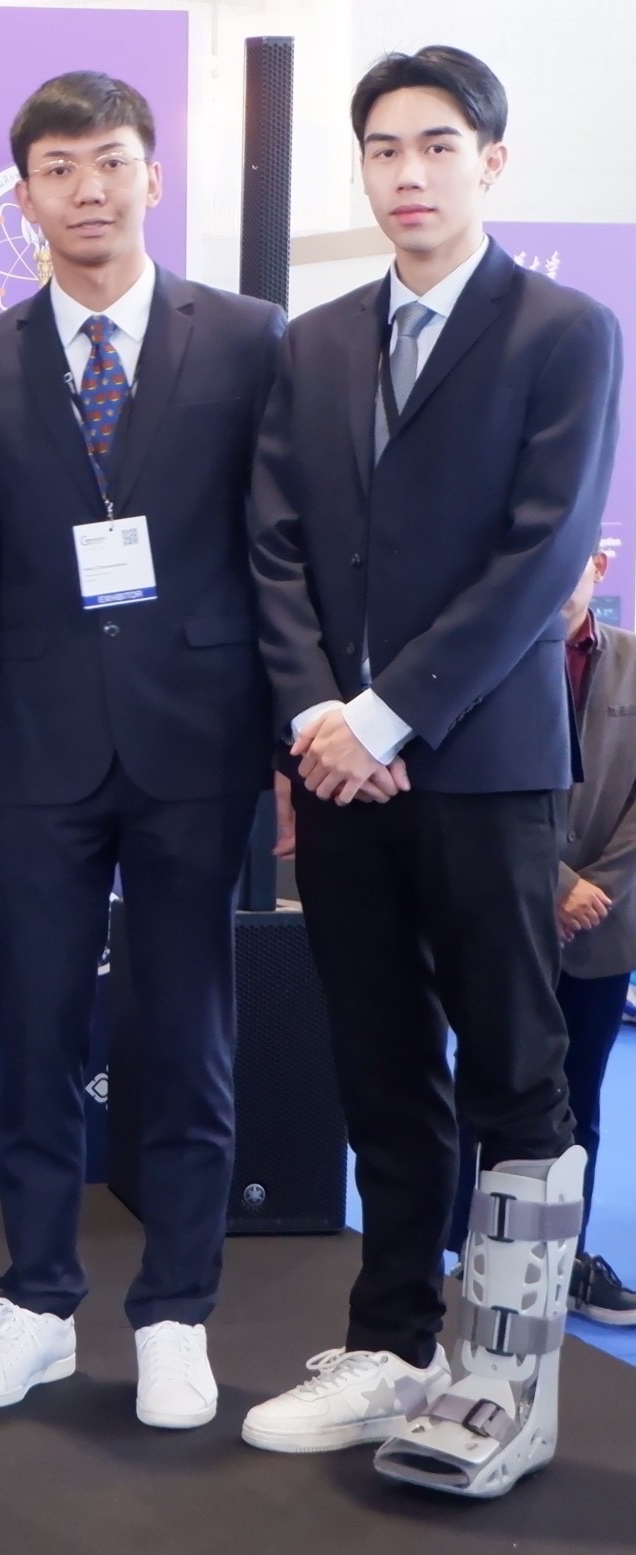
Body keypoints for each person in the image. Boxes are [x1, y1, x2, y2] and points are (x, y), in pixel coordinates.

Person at [240, 47, 623, 1498]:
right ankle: (388, 1345)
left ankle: (506, 1377)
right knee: (379, 1061)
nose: (408, 173)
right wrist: (316, 719)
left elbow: (540, 553)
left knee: (514, 1070)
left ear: (491, 162)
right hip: (338, 774)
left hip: (480, 764)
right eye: (385, 149)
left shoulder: (563, 330)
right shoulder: (317, 341)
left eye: (438, 145)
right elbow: (274, 544)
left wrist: (387, 716)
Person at [0, 72, 285, 1432]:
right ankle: (35, 1301)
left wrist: (287, 736)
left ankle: (177, 1311)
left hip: (202, 739)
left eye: (111, 161)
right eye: (59, 168)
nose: (87, 189)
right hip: (37, 746)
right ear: (23, 196)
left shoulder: (247, 337)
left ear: (152, 175)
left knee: (188, 1034)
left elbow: (279, 553)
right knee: (30, 1030)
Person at [441, 545, 636, 1327]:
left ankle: (564, 1261)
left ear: (598, 566)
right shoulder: (486, 660)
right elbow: (471, 784)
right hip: (500, 916)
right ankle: (470, 1250)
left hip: (605, 926)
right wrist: (553, 883)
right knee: (485, 1087)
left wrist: (597, 889)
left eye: (574, 564)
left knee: (579, 1098)